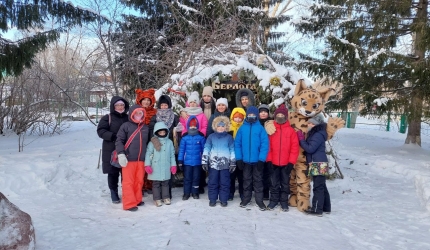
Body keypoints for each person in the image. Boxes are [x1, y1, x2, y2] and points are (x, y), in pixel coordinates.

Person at [234, 106, 269, 210]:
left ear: (256, 116)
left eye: (253, 115)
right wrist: (239, 158)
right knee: (246, 180)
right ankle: (246, 198)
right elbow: (237, 144)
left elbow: (265, 144)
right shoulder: (242, 128)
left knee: (258, 181)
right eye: (249, 115)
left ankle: (259, 200)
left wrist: (261, 159)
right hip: (245, 161)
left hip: (257, 160)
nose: (251, 116)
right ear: (247, 115)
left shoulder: (260, 128)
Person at [266, 104, 299, 212]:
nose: (280, 117)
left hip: (286, 163)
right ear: (275, 117)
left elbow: (294, 148)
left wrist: (291, 162)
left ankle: (284, 202)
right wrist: (269, 160)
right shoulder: (271, 130)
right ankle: (274, 200)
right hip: (274, 163)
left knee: (285, 184)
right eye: (278, 115)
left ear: (285, 117)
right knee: (274, 183)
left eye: (282, 115)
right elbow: (268, 147)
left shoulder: (290, 131)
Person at [115, 105, 149, 211]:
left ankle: (137, 199)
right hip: (129, 159)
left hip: (141, 159)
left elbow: (149, 142)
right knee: (128, 182)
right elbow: (119, 140)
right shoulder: (126, 126)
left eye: (141, 113)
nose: (139, 115)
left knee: (139, 181)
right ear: (132, 114)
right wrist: (121, 153)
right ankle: (129, 203)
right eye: (137, 113)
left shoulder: (145, 127)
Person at [97, 96, 130, 204]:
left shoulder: (128, 117)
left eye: (122, 105)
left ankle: (126, 192)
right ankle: (113, 192)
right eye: (117, 105)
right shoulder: (107, 118)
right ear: (113, 106)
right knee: (113, 172)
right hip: (111, 149)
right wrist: (113, 136)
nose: (120, 107)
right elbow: (101, 131)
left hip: (126, 148)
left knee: (125, 172)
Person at [297, 114, 331, 217]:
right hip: (318, 162)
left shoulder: (317, 134)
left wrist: (301, 140)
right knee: (322, 186)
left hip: (318, 163)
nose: (309, 124)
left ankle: (317, 209)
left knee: (318, 187)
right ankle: (326, 207)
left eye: (312, 123)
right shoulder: (317, 133)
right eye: (309, 122)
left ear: (316, 124)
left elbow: (310, 149)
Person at [149, 94, 180, 198]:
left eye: (165, 105)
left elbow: (178, 130)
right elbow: (151, 131)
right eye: (162, 105)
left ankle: (167, 193)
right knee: (158, 170)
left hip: (169, 146)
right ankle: (158, 194)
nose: (163, 107)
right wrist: (154, 142)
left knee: (168, 170)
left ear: (169, 105)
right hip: (157, 147)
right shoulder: (155, 117)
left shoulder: (174, 117)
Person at [202, 116, 236, 207]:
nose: (221, 128)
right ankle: (212, 199)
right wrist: (204, 161)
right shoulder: (211, 137)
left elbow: (232, 150)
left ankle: (223, 199)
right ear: (215, 127)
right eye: (219, 126)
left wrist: (233, 162)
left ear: (226, 127)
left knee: (224, 182)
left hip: (225, 164)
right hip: (213, 164)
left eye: (222, 126)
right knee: (213, 182)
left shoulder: (229, 138)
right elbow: (207, 148)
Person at [145, 122, 177, 207]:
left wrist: (173, 165)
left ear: (166, 132)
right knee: (156, 184)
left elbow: (172, 155)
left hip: (166, 166)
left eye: (163, 132)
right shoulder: (152, 142)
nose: (162, 134)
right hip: (156, 166)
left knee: (165, 183)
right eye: (160, 132)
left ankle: (166, 197)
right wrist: (147, 165)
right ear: (156, 132)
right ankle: (157, 198)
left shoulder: (169, 142)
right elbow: (148, 153)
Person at [178, 116, 206, 200]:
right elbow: (182, 150)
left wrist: (204, 160)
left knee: (196, 178)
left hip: (198, 162)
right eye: (191, 125)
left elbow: (204, 149)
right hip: (187, 163)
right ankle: (186, 193)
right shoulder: (185, 137)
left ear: (197, 126)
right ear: (188, 126)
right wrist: (180, 160)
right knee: (187, 178)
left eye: (194, 125)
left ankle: (195, 192)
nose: (193, 127)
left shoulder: (201, 137)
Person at [135, 88, 157, 195]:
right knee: (141, 164)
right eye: (144, 100)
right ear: (140, 100)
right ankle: (141, 185)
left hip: (152, 141)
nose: (146, 102)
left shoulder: (155, 112)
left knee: (151, 162)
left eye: (148, 100)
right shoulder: (136, 112)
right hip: (139, 142)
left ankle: (150, 184)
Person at [228, 106, 246, 201]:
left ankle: (242, 192)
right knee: (231, 175)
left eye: (240, 117)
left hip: (241, 156)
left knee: (241, 176)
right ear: (232, 117)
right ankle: (231, 192)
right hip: (230, 156)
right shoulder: (229, 127)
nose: (238, 119)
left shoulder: (244, 127)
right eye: (236, 117)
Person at [259, 104, 273, 201]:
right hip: (259, 152)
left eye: (265, 112)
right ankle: (260, 191)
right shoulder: (256, 123)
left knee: (268, 174)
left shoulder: (272, 123)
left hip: (270, 152)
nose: (263, 113)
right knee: (260, 173)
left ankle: (266, 192)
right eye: (261, 112)